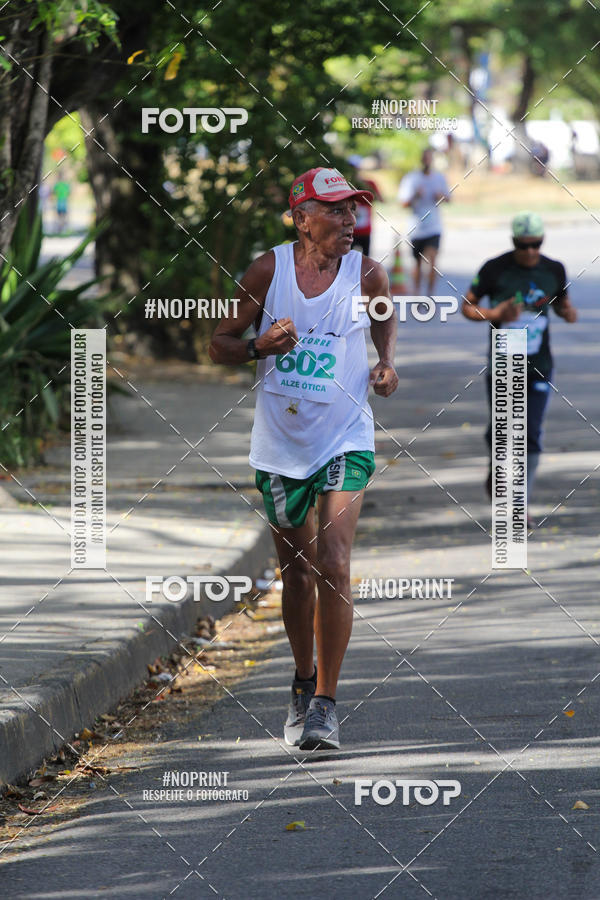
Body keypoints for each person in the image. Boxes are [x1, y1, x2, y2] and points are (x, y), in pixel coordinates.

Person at [209, 167, 399, 750]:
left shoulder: (366, 272)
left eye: (352, 210)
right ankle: (302, 679)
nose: (349, 220)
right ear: (301, 218)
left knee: (334, 563)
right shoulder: (268, 271)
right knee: (296, 571)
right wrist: (258, 347)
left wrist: (386, 363)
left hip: (346, 437)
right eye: (336, 210)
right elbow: (218, 345)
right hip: (281, 446)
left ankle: (325, 705)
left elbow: (384, 317)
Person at [462, 211, 577, 519]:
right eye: (523, 245)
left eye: (536, 244)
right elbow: (467, 307)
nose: (530, 251)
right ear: (514, 242)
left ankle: (519, 503)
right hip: (505, 358)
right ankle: (497, 469)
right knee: (503, 432)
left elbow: (563, 305)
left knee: (531, 432)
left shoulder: (554, 269)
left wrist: (567, 312)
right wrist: (496, 313)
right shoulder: (495, 269)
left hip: (540, 362)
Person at [398, 147, 450, 294]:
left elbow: (449, 198)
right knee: (418, 264)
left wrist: (440, 196)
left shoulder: (439, 178)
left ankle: (430, 295)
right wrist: (416, 195)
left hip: (434, 227)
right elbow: (403, 203)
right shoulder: (411, 178)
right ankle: (417, 293)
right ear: (421, 160)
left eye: (430, 158)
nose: (427, 161)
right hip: (416, 228)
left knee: (432, 261)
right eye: (425, 158)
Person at [347, 155, 382, 257]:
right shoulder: (345, 183)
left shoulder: (369, 183)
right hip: (349, 231)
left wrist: (363, 186)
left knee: (365, 260)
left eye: (356, 167)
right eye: (351, 167)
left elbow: (380, 199)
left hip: (365, 230)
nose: (354, 170)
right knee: (347, 259)